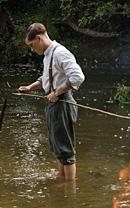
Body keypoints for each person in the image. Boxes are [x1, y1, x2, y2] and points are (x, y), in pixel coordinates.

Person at [18, 22, 85, 180]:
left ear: (39, 38)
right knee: (56, 148)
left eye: (31, 45)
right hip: (53, 105)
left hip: (62, 104)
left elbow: (78, 77)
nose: (32, 50)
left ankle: (70, 190)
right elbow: (46, 79)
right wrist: (29, 87)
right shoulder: (48, 55)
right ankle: (62, 182)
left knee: (65, 150)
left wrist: (57, 92)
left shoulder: (60, 53)